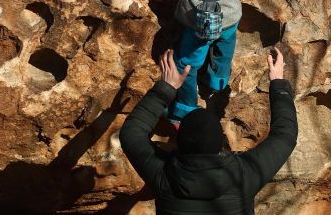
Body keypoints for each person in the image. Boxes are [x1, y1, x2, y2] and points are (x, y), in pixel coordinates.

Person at [120, 48, 298, 214]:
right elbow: (285, 135)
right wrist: (278, 82)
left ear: (179, 141)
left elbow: (131, 133)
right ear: (221, 143)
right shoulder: (243, 176)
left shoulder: (165, 177)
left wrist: (166, 88)